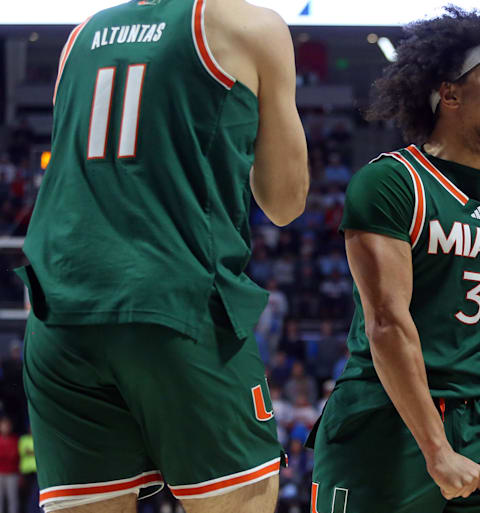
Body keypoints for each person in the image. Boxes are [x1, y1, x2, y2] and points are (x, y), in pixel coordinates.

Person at [16, 0, 310, 511]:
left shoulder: (81, 34)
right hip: (174, 301)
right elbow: (285, 202)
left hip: (58, 312)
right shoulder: (248, 24)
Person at [308, 7, 480, 513]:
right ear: (449, 94)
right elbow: (386, 323)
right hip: (386, 419)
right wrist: (436, 450)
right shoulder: (392, 182)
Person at [0, 418, 18, 513]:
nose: (6, 427)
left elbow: (15, 456)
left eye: (7, 425)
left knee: (13, 499)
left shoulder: (15, 440)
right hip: (1, 473)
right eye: (3, 425)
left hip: (12, 473)